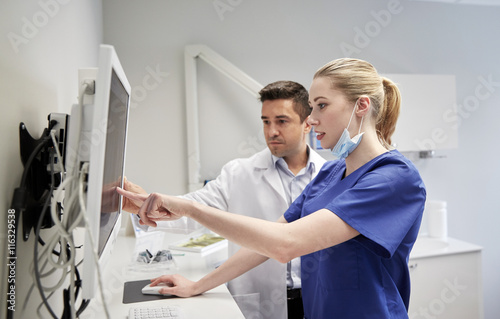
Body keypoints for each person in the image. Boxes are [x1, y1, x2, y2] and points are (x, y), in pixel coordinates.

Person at [119, 58, 426, 319]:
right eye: (311, 107)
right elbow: (265, 243)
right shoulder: (331, 173)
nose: (313, 118)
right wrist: (198, 285)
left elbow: (286, 244)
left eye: (321, 106)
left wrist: (191, 208)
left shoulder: (394, 179)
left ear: (361, 106)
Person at [123, 81, 326, 319]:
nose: (271, 132)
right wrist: (143, 205)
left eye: (282, 121)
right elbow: (192, 212)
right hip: (258, 300)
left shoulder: (329, 174)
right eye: (265, 121)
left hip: (314, 299)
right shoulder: (239, 173)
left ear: (307, 124)